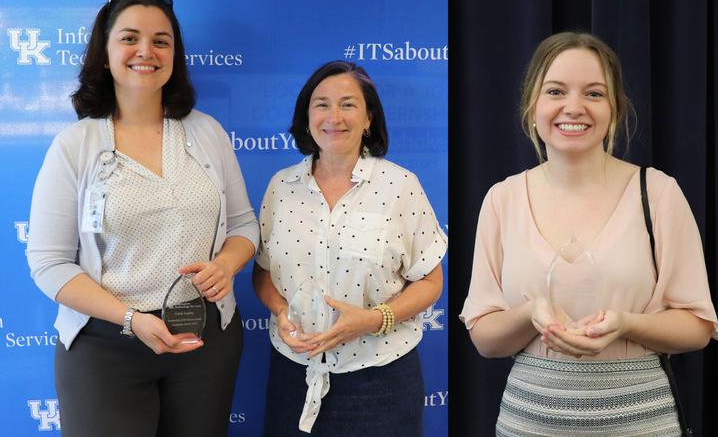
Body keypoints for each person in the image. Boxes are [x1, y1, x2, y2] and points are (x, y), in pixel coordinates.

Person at [461, 32, 718, 436]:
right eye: (556, 91)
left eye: (594, 93)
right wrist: (532, 314)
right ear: (532, 106)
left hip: (641, 421)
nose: (574, 107)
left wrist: (625, 324)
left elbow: (699, 327)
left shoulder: (659, 193)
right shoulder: (502, 199)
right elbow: (485, 340)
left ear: (616, 109)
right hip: (529, 421)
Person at [27, 0, 259, 437]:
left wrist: (227, 264)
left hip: (204, 338)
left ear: (174, 54)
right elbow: (49, 263)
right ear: (106, 51)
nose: (146, 52)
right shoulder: (74, 146)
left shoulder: (206, 132)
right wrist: (132, 320)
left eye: (162, 40)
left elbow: (244, 224)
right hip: (104, 347)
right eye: (130, 38)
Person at [252, 60, 447, 435]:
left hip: (380, 378)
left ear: (368, 117)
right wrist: (280, 312)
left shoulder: (400, 186)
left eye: (348, 104)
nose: (334, 116)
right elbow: (263, 272)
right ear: (306, 116)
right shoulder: (281, 187)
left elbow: (430, 282)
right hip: (294, 372)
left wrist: (374, 320)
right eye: (321, 103)